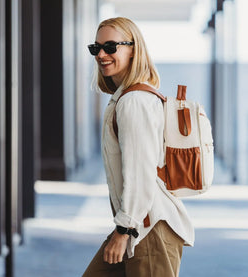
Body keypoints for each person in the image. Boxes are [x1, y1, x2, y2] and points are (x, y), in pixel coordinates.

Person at [82, 17, 194, 277]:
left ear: (133, 49)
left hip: (148, 228)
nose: (101, 54)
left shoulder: (134, 101)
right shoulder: (126, 97)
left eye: (111, 47)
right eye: (95, 48)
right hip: (137, 224)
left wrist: (124, 230)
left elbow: (140, 172)